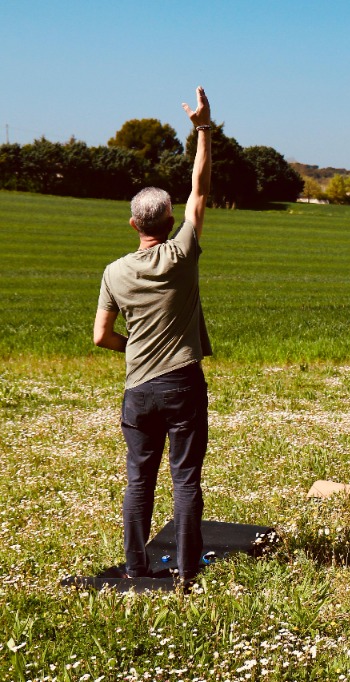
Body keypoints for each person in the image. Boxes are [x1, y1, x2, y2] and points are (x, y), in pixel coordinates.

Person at [93, 86, 213, 586]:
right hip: (183, 384)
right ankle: (187, 573)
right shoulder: (182, 253)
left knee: (138, 482)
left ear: (132, 223)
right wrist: (203, 128)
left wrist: (133, 348)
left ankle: (135, 566)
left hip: (138, 390)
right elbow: (200, 187)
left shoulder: (114, 272)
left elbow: (101, 336)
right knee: (185, 481)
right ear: (169, 220)